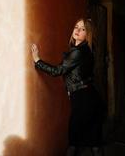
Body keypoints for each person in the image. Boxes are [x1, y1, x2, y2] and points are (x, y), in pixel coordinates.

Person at [31, 18, 105, 156]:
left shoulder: (77, 52)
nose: (77, 30)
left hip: (83, 100)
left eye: (82, 29)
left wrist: (37, 60)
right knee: (95, 144)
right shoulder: (87, 51)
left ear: (87, 34)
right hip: (91, 97)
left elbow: (57, 71)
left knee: (73, 142)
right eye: (76, 27)